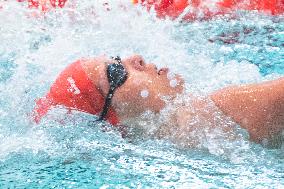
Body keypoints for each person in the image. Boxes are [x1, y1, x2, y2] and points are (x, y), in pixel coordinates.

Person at [33, 55, 284, 147]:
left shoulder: (185, 143)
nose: (136, 59)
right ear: (115, 120)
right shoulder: (218, 112)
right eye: (116, 74)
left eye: (117, 58)